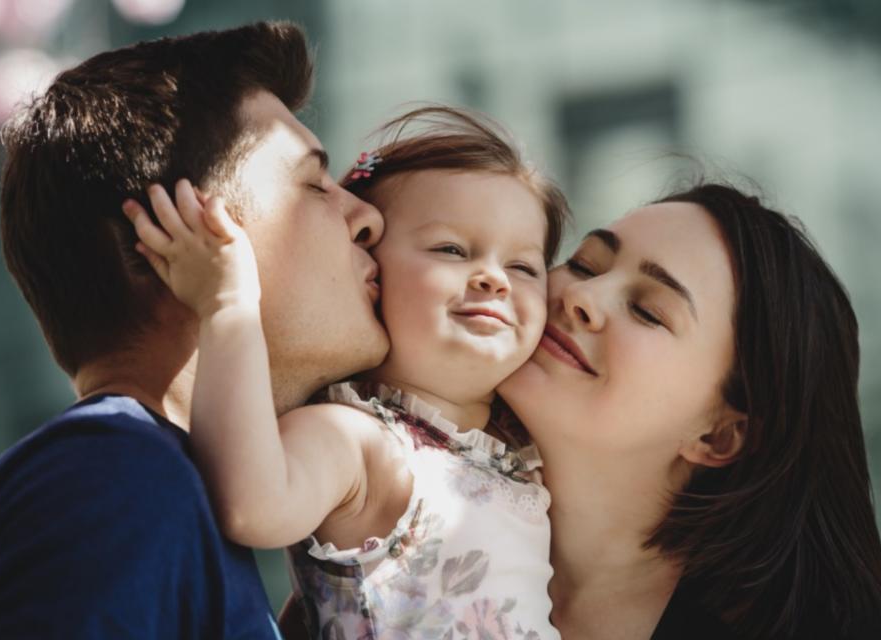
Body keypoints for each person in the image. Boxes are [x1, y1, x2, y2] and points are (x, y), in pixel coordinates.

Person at [0, 21, 390, 638]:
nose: (366, 216)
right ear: (161, 242)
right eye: (312, 184)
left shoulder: (142, 480)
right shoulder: (109, 480)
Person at [123, 106, 570, 639]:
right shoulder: (358, 440)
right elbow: (252, 507)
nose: (494, 278)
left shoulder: (517, 450)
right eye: (451, 249)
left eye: (523, 267)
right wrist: (226, 305)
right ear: (370, 272)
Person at [498, 183, 881, 639]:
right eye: (584, 264)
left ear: (719, 436)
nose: (583, 296)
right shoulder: (418, 499)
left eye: (648, 311)